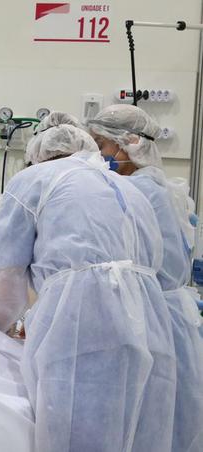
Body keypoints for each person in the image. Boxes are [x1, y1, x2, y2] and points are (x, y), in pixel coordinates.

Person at [0, 114, 177, 451]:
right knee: (132, 431)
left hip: (80, 322)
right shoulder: (130, 188)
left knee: (73, 430)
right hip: (148, 322)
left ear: (38, 156)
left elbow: (7, 278)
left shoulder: (33, 179)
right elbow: (153, 263)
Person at [88, 104, 202, 451]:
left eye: (102, 145)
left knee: (152, 421)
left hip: (154, 316)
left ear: (129, 144)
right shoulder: (157, 185)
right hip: (168, 314)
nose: (98, 155)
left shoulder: (136, 191)